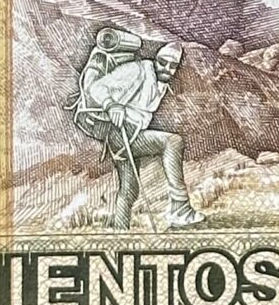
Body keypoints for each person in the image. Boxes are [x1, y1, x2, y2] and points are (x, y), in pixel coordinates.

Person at [74, 24, 201, 228]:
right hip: (120, 133)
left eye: (172, 66)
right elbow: (97, 87)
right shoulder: (137, 70)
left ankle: (120, 230)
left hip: (128, 135)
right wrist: (112, 105)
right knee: (173, 141)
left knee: (129, 189)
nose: (166, 68)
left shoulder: (161, 83)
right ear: (156, 59)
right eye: (162, 62)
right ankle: (181, 207)